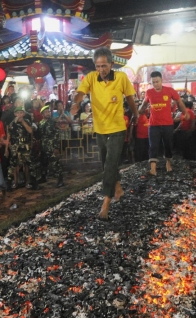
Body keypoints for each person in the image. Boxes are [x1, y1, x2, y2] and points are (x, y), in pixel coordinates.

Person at [71, 47, 139, 219]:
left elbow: (130, 98)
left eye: (104, 66)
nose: (101, 70)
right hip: (100, 129)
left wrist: (136, 114)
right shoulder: (91, 78)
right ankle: (117, 187)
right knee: (106, 164)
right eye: (98, 66)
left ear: (111, 64)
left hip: (117, 129)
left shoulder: (122, 78)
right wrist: (76, 103)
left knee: (110, 164)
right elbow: (80, 93)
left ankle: (106, 203)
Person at [138, 71, 189, 176]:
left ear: (162, 81)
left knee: (168, 145)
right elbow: (143, 105)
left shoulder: (170, 91)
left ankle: (168, 163)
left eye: (157, 81)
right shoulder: (149, 92)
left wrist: (185, 112)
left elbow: (179, 102)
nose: (155, 84)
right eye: (153, 82)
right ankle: (153, 169)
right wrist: (138, 112)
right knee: (153, 146)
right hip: (153, 125)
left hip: (167, 124)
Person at [6, 106, 33, 189]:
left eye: (21, 113)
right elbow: (8, 136)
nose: (19, 114)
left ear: (24, 114)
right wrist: (6, 149)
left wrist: (23, 122)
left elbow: (30, 131)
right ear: (15, 114)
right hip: (15, 146)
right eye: (18, 113)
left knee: (26, 164)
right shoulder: (11, 123)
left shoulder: (27, 121)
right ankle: (15, 182)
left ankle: (27, 182)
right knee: (16, 165)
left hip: (25, 145)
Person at [39, 105, 64, 187]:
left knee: (55, 163)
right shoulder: (41, 123)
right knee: (43, 163)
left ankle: (60, 180)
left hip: (52, 146)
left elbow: (57, 135)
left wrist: (56, 147)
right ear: (42, 114)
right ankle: (43, 177)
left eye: (49, 111)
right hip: (43, 146)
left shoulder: (53, 122)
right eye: (46, 112)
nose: (48, 113)